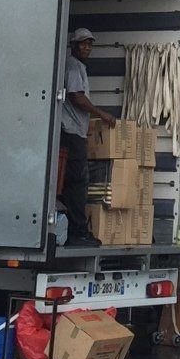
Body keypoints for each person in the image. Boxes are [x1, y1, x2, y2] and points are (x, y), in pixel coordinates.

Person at [60, 28, 115, 247]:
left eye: (90, 44)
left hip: (75, 132)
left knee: (72, 182)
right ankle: (78, 232)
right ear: (73, 45)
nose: (87, 48)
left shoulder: (77, 66)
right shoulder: (73, 65)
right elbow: (77, 97)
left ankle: (72, 229)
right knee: (77, 182)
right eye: (83, 44)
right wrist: (101, 114)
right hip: (71, 133)